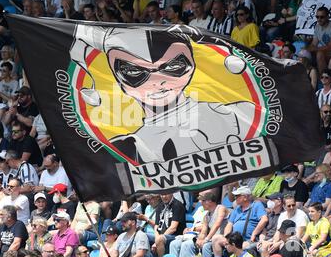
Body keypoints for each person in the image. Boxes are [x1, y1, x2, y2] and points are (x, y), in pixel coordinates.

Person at [69, 24, 256, 165]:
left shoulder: (238, 115)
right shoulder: (123, 147)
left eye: (173, 66)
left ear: (191, 64)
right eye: (134, 72)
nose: (156, 82)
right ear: (118, 81)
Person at [170, 191, 228, 257]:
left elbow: (217, 224)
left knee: (206, 246)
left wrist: (205, 240)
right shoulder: (206, 216)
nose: (200, 202)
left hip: (222, 238)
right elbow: (203, 232)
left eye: (203, 200)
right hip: (211, 239)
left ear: (209, 201)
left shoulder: (220, 208)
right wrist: (200, 240)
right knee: (188, 244)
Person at [211, 186, 268, 257]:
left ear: (245, 197)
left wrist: (254, 233)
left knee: (243, 246)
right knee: (216, 238)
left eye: (237, 196)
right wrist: (226, 237)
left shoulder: (256, 205)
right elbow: (229, 224)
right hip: (233, 239)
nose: (235, 198)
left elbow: (264, 219)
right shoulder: (237, 208)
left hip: (247, 240)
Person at [308, 7, 331, 73]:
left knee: (319, 54)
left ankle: (324, 76)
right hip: (326, 51)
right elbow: (314, 43)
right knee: (304, 54)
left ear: (328, 17)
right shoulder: (317, 27)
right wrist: (307, 49)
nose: (319, 19)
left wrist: (315, 49)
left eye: (322, 17)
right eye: (317, 17)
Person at [153, 193, 186, 257]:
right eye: (162, 194)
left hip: (175, 236)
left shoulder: (177, 205)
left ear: (171, 193)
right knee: (144, 236)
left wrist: (158, 239)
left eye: (166, 194)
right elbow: (156, 226)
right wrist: (156, 239)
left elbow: (173, 228)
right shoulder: (160, 206)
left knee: (159, 239)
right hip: (161, 235)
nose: (164, 196)